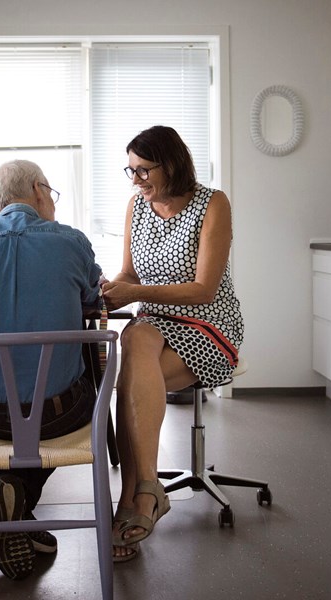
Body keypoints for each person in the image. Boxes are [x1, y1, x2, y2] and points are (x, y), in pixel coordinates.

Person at [0, 159, 104, 580]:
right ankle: (18, 502)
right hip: (57, 415)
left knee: (3, 400)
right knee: (80, 382)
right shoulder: (72, 242)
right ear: (38, 189)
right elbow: (93, 294)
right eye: (51, 193)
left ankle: (12, 502)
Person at [101, 125, 244, 562]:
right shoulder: (136, 207)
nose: (136, 180)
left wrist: (137, 294)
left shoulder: (212, 203)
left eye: (144, 170)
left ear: (172, 163)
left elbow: (203, 288)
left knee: (130, 385)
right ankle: (146, 492)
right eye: (130, 171)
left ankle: (134, 498)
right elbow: (130, 274)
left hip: (208, 325)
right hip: (154, 327)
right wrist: (111, 287)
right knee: (137, 338)